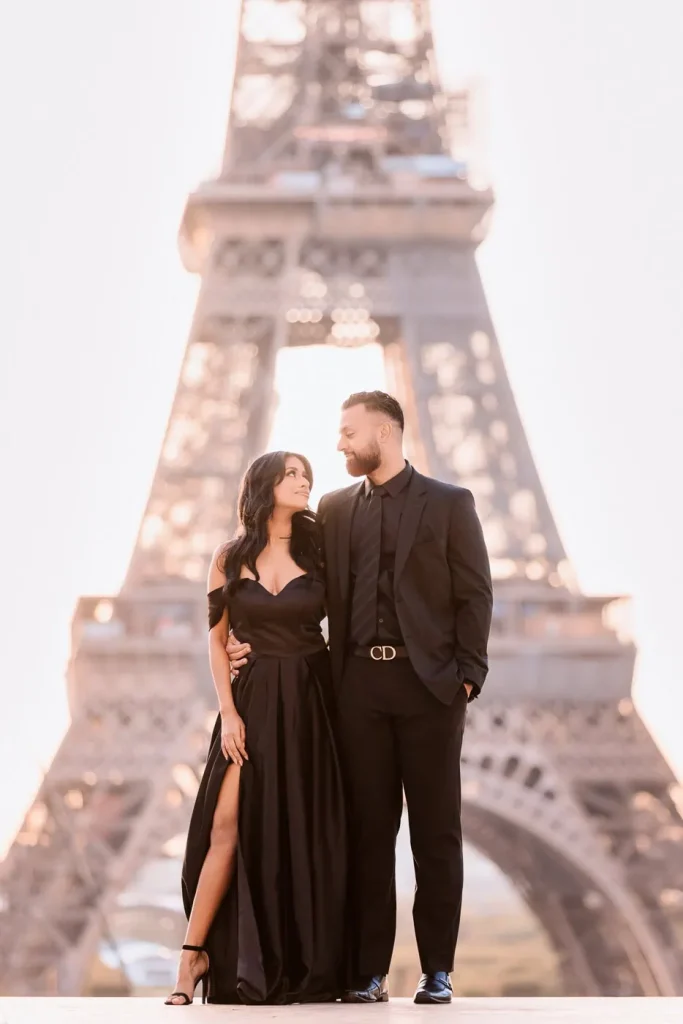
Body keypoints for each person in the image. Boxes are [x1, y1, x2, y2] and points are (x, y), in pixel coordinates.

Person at [228, 391, 492, 1005]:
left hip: (430, 687)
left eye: (349, 433)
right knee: (368, 834)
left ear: (387, 431)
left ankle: (437, 972)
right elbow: (282, 563)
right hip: (357, 690)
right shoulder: (335, 508)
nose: (340, 445)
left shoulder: (451, 504)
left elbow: (475, 593)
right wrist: (246, 638)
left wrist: (467, 676)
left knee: (435, 835)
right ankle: (369, 972)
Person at [165, 451, 347, 1006]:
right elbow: (217, 642)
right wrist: (229, 712)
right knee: (226, 824)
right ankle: (193, 954)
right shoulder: (228, 556)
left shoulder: (321, 550)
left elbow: (355, 622)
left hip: (309, 700)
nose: (303, 481)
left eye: (306, 474)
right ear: (265, 485)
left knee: (299, 830)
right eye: (291, 473)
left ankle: (299, 959)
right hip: (248, 700)